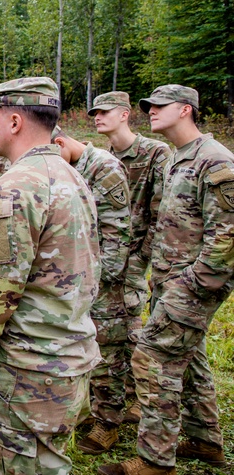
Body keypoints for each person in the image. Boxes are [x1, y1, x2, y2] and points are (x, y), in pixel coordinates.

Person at [0, 77, 100, 475]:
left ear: (15, 122)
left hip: (28, 371)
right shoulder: (73, 176)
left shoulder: (13, 190)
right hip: (69, 357)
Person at [100, 85, 233, 475]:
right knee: (189, 360)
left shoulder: (215, 161)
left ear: (186, 110)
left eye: (161, 106)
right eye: (148, 106)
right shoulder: (179, 158)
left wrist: (189, 286)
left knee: (152, 357)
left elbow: (227, 240)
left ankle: (156, 460)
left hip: (192, 286)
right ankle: (206, 441)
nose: (151, 111)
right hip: (169, 280)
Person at [89, 90, 171, 424]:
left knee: (131, 331)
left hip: (135, 257)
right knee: (110, 331)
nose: (97, 116)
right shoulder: (103, 158)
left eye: (105, 111)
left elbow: (161, 215)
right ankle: (116, 400)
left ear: (124, 114)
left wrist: (139, 261)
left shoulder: (154, 153)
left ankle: (138, 400)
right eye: (95, 112)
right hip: (108, 257)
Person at [50, 126, 132, 454]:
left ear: (60, 142)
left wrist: (95, 284)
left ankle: (108, 423)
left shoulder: (105, 169)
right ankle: (90, 410)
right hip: (79, 276)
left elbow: (117, 234)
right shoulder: (67, 167)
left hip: (104, 282)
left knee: (109, 352)